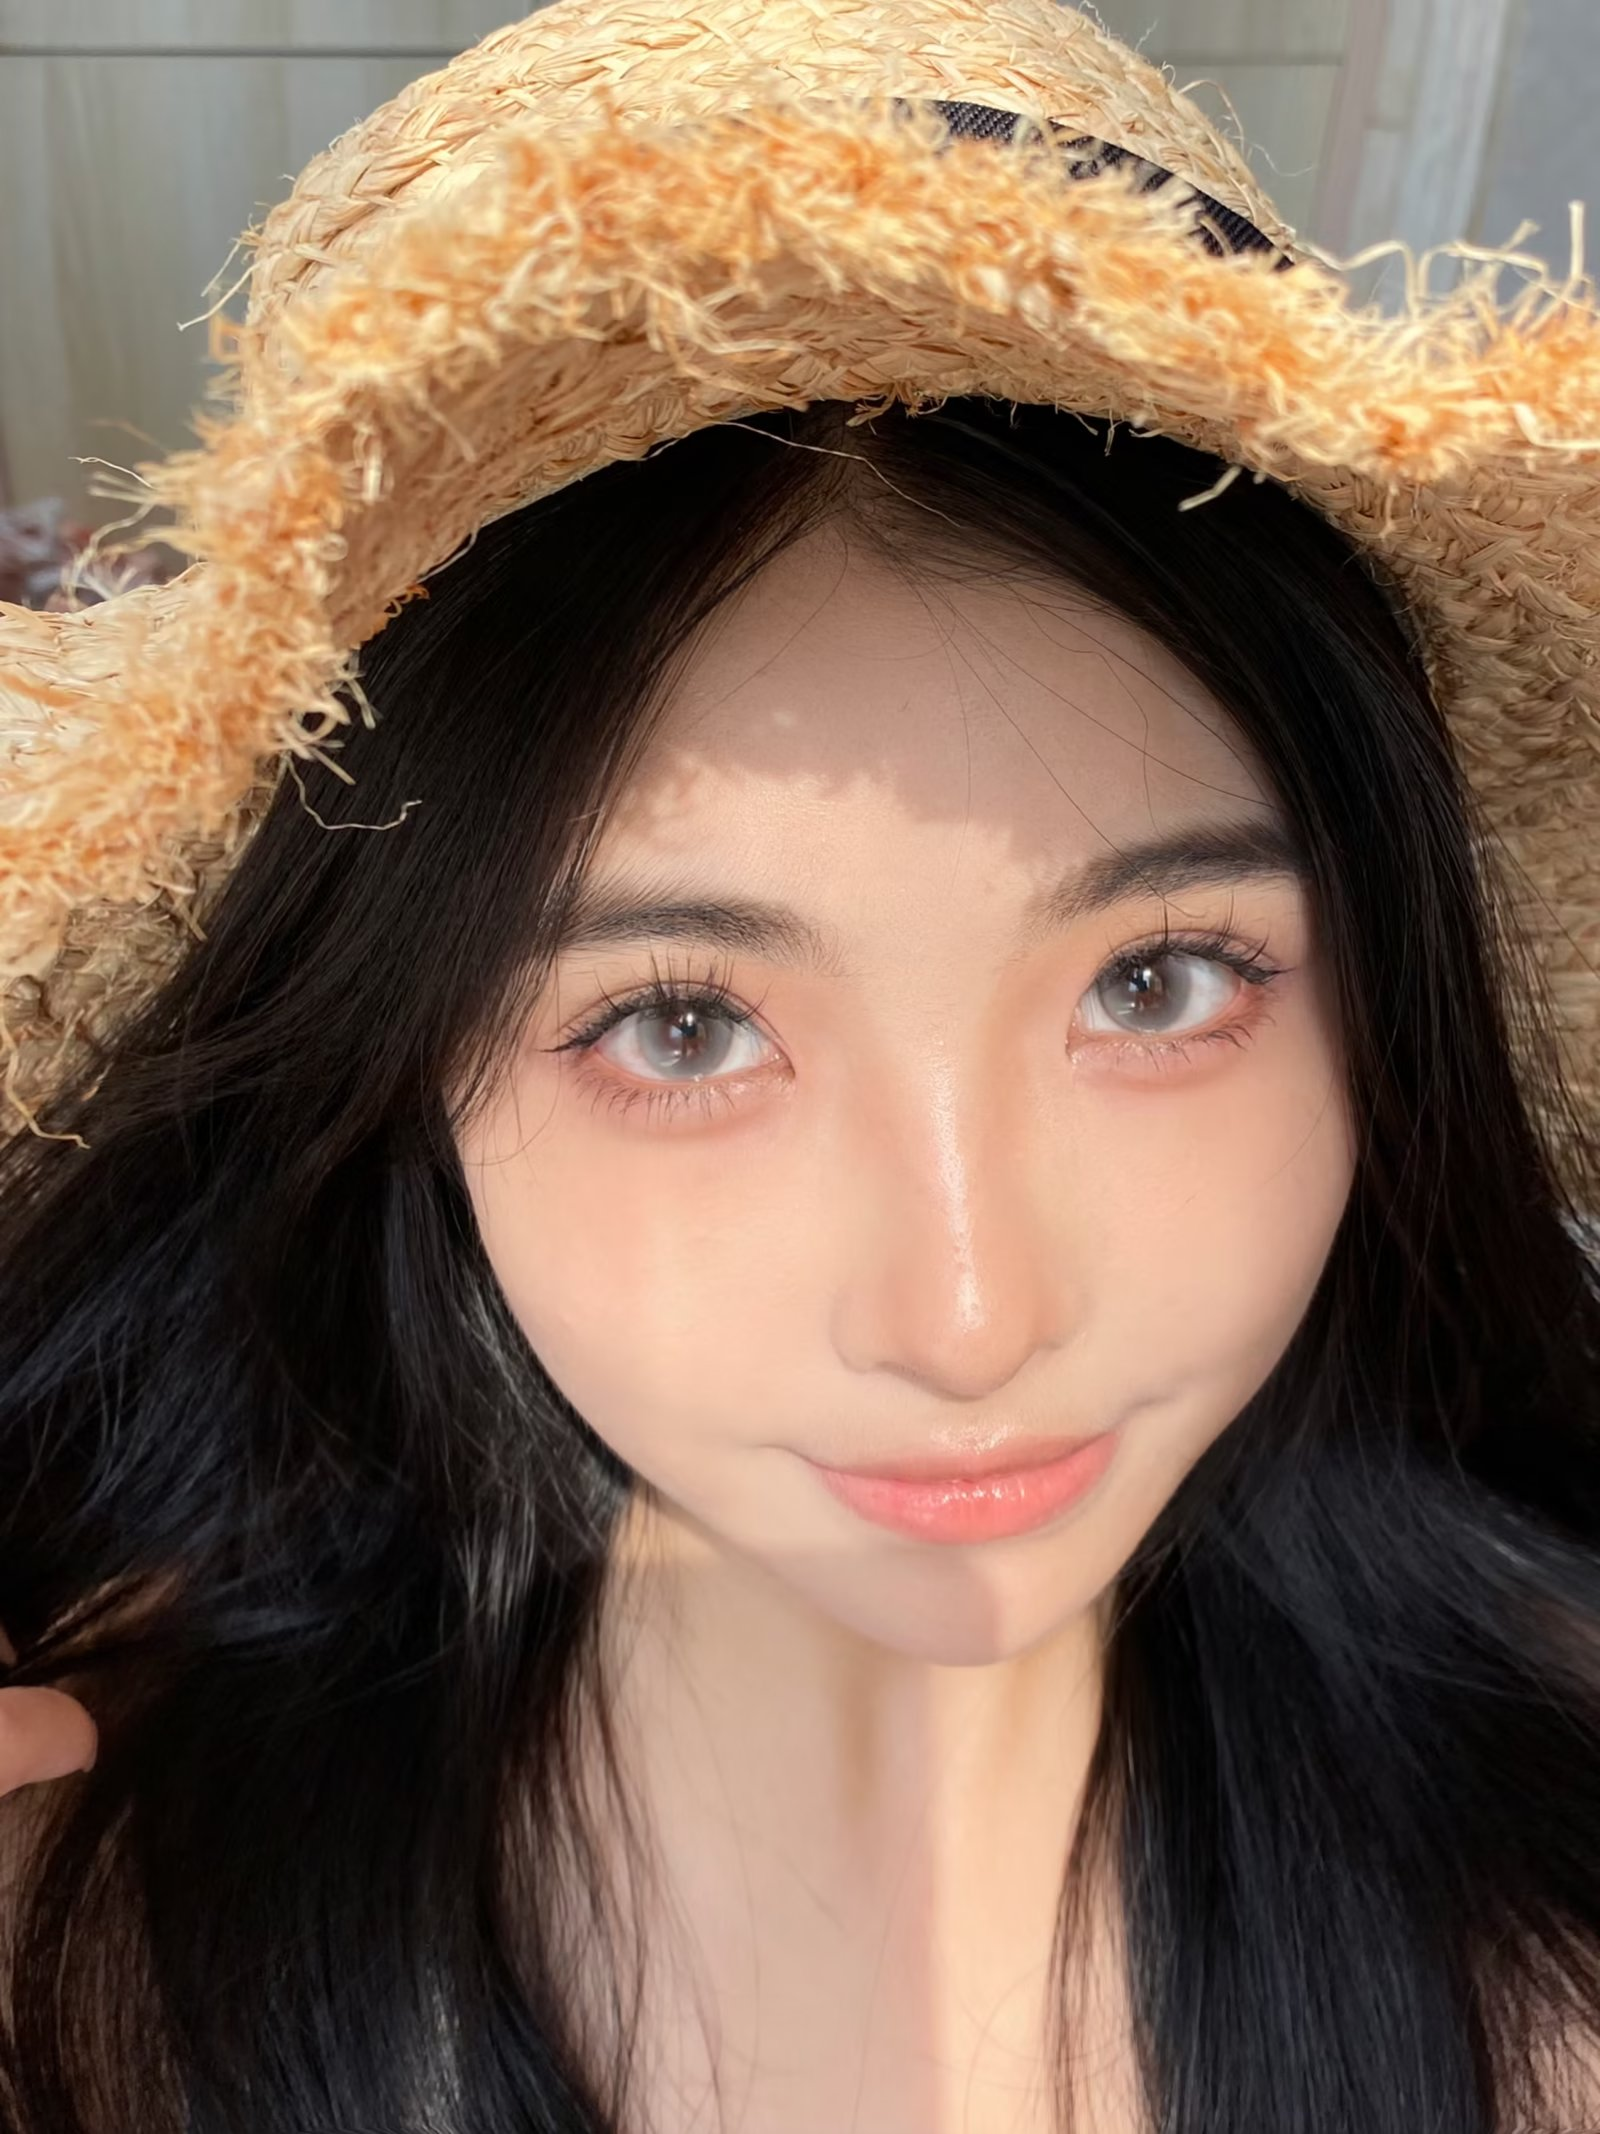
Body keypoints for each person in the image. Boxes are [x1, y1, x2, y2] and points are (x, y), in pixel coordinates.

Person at [0, 5, 1597, 2133]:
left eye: (1158, 981)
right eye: (682, 1023)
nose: (970, 1317)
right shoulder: (84, 1948)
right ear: (399, 1070)